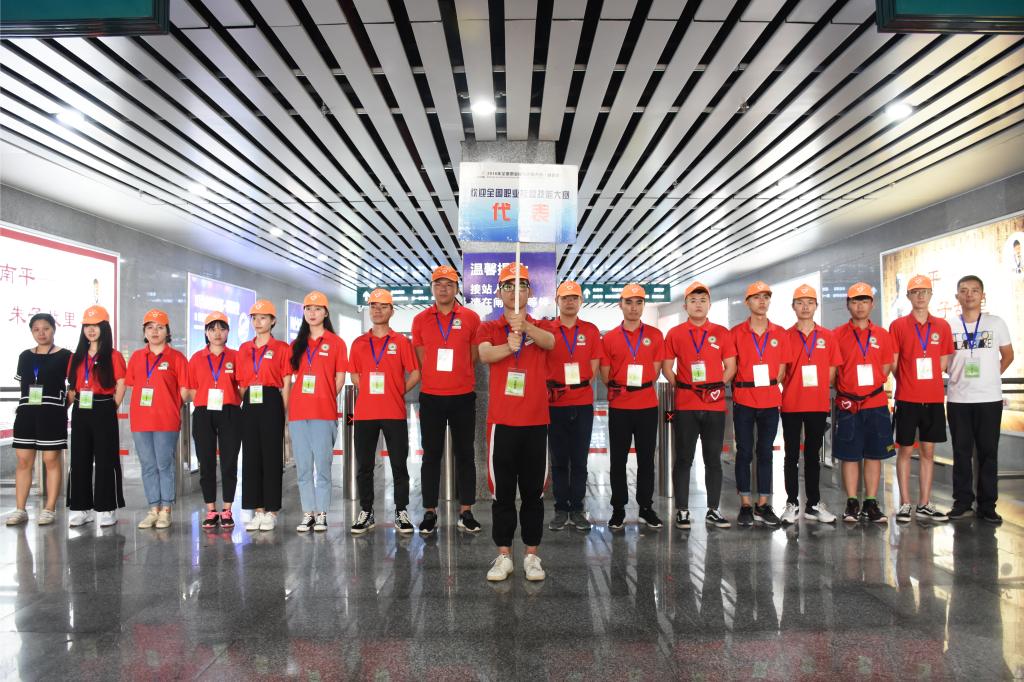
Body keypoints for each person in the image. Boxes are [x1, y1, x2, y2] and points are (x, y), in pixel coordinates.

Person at [476, 262, 554, 582]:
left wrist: (527, 328)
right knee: (503, 494)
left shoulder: (540, 325)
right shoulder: (489, 327)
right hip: (502, 423)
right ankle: (504, 556)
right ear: (499, 293)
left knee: (534, 494)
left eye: (520, 285)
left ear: (529, 291)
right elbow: (484, 355)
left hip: (535, 421)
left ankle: (532, 556)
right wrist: (508, 345)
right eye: (508, 286)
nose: (514, 291)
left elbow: (550, 342)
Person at [411, 265, 482, 535]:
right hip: (431, 396)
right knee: (431, 455)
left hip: (463, 395)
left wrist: (458, 372)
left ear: (456, 289)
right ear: (432, 288)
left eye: (449, 284)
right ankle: (430, 511)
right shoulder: (420, 320)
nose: (443, 289)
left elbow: (474, 354)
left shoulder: (470, 318)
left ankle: (466, 511)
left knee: (466, 454)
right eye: (438, 284)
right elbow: (421, 356)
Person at [661, 282, 735, 529]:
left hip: (715, 406)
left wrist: (717, 386)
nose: (698, 305)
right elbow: (667, 368)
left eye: (703, 300)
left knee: (713, 458)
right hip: (686, 406)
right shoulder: (675, 333)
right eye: (693, 301)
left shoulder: (722, 333)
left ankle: (713, 509)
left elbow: (731, 367)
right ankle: (682, 510)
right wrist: (682, 387)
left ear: (709, 304)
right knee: (684, 458)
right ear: (685, 306)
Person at [349, 289, 421, 535]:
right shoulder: (358, 343)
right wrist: (368, 390)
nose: (377, 310)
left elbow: (415, 373)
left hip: (394, 412)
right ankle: (366, 511)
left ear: (392, 310)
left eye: (383, 306)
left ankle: (401, 511)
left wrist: (397, 390)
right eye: (373, 306)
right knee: (364, 466)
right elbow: (354, 374)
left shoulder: (401, 342)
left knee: (399, 465)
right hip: (365, 413)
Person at [945, 275, 1014, 523]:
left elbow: (1008, 355)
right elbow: (943, 360)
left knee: (988, 453)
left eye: (975, 290)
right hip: (958, 399)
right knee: (961, 452)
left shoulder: (996, 323)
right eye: (964, 290)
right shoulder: (948, 326)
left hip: (989, 399)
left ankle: (987, 506)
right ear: (957, 297)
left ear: (983, 296)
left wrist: (991, 376)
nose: (969, 295)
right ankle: (962, 502)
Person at [600, 283, 666, 531]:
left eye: (639, 302)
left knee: (646, 459)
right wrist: (624, 387)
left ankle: (646, 507)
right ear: (620, 305)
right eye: (628, 302)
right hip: (620, 405)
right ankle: (618, 508)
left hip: (647, 405)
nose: (634, 307)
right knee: (617, 460)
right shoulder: (610, 338)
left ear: (644, 305)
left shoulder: (655, 335)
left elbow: (656, 371)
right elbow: (605, 375)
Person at [889, 274, 953, 522]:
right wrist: (908, 381)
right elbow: (895, 364)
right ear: (908, 296)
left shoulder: (942, 326)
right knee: (905, 451)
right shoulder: (898, 326)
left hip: (934, 399)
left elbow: (943, 362)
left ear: (930, 295)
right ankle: (905, 503)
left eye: (924, 292)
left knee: (928, 451)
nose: (920, 296)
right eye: (915, 292)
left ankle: (924, 503)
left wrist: (927, 381)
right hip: (907, 398)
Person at [832, 282, 895, 523]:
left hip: (875, 403)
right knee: (849, 455)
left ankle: (870, 502)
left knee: (874, 454)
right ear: (848, 304)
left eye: (865, 301)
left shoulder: (883, 335)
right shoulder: (837, 335)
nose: (860, 306)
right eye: (855, 301)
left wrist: (870, 386)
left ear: (872, 304)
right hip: (848, 404)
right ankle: (851, 502)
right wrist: (847, 389)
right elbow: (834, 372)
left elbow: (886, 367)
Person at [779, 285, 841, 524]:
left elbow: (832, 373)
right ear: (793, 307)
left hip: (817, 404)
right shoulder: (785, 336)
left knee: (813, 455)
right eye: (800, 302)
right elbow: (782, 373)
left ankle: (813, 504)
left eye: (810, 302)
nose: (805, 307)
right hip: (791, 404)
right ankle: (792, 503)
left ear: (816, 306)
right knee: (791, 455)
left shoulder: (828, 337)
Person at [544, 280, 602, 532]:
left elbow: (595, 365)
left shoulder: (590, 330)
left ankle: (577, 508)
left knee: (579, 460)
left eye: (574, 298)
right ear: (557, 301)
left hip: (582, 402)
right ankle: (560, 509)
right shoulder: (548, 330)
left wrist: (579, 384)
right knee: (558, 460)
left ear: (581, 301)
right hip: (555, 403)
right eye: (565, 298)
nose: (569, 302)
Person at [730, 281, 788, 527]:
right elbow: (731, 367)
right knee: (744, 452)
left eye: (766, 297)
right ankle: (745, 504)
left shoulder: (780, 333)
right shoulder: (736, 333)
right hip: (744, 400)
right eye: (756, 297)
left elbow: (782, 370)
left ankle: (763, 504)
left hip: (770, 401)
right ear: (747, 302)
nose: (762, 301)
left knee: (766, 452)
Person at [288, 291, 347, 533]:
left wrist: (324, 396)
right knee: (303, 467)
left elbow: (340, 378)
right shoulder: (296, 345)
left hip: (324, 412)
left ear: (325, 313)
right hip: (298, 412)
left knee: (323, 466)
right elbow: (292, 378)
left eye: (317, 309)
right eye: (308, 309)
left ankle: (322, 513)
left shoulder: (336, 343)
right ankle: (308, 513)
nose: (312, 313)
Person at [125, 309, 190, 529]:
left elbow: (184, 390)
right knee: (148, 465)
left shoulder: (176, 358)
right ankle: (153, 508)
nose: (155, 331)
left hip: (166, 420)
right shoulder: (137, 357)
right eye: (150, 327)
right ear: (144, 331)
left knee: (164, 464)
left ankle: (166, 510)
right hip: (140, 420)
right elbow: (132, 384)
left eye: (160, 327)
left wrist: (171, 406)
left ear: (167, 331)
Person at [6, 313, 71, 526]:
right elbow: (23, 386)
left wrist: (62, 407)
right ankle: (20, 509)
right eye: (36, 329)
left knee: (51, 460)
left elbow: (74, 387)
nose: (41, 333)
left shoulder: (65, 355)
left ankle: (49, 508)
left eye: (46, 328)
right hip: (26, 414)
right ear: (32, 332)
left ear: (54, 329)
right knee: (23, 461)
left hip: (52, 414)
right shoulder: (25, 356)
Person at [66, 306, 127, 527]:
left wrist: (112, 406)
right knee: (79, 458)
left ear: (104, 328)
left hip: (103, 407)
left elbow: (121, 383)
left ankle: (107, 508)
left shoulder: (114, 355)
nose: (91, 330)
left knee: (105, 459)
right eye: (87, 326)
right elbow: (72, 387)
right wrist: (64, 409)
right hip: (80, 409)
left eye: (96, 326)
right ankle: (81, 507)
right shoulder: (76, 357)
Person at [237, 300, 291, 532]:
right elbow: (241, 384)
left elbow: (286, 382)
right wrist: (248, 400)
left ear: (273, 321)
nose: (258, 322)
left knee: (271, 457)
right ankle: (257, 510)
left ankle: (271, 511)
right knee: (251, 457)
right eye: (254, 318)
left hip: (271, 401)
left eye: (263, 318)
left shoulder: (282, 348)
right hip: (250, 401)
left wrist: (283, 413)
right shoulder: (244, 349)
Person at [187, 311, 242, 531]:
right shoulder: (196, 358)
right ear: (206, 333)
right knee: (206, 462)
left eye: (222, 328)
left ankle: (227, 509)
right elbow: (192, 388)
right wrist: (203, 401)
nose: (217, 333)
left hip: (230, 412)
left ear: (228, 332)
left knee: (229, 462)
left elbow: (242, 386)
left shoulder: (236, 356)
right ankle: (211, 509)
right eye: (212, 329)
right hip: (203, 412)